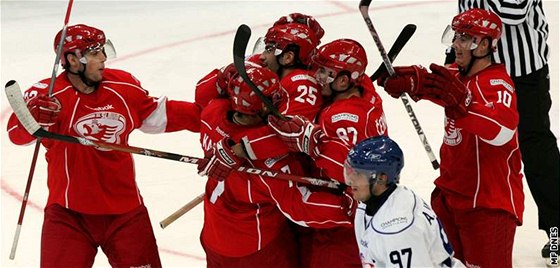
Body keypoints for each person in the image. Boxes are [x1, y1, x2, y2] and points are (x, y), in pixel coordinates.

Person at [6, 24, 202, 267]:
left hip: (125, 213)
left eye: (103, 50)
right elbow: (16, 135)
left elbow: (162, 115)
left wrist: (217, 119)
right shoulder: (47, 95)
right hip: (68, 215)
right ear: (73, 60)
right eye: (95, 52)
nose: (104, 58)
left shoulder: (123, 86)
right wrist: (32, 118)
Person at [379, 9, 524, 267]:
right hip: (450, 196)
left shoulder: (498, 84)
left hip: (487, 205)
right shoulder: (457, 75)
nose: (457, 44)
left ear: (485, 45)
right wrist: (411, 81)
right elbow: (435, 84)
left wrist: (464, 105)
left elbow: (502, 130)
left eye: (465, 38)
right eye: (456, 36)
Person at [196, 64, 355, 267]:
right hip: (257, 248)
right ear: (262, 107)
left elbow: (206, 100)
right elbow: (299, 207)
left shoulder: (213, 114)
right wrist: (346, 209)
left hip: (213, 237)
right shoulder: (271, 163)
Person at [446, 0, 559, 259]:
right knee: (468, 144)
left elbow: (515, 10)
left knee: (536, 150)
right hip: (476, 64)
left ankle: (557, 230)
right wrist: (460, 44)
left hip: (523, 71)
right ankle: (467, 223)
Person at [268, 39, 388, 268]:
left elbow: (353, 170)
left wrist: (312, 144)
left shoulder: (341, 118)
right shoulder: (366, 93)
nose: (317, 76)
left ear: (344, 80)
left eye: (325, 72)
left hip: (344, 231)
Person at [344, 136, 464, 267]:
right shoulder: (374, 202)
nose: (351, 181)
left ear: (382, 179)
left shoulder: (397, 230)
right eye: (350, 172)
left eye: (359, 174)